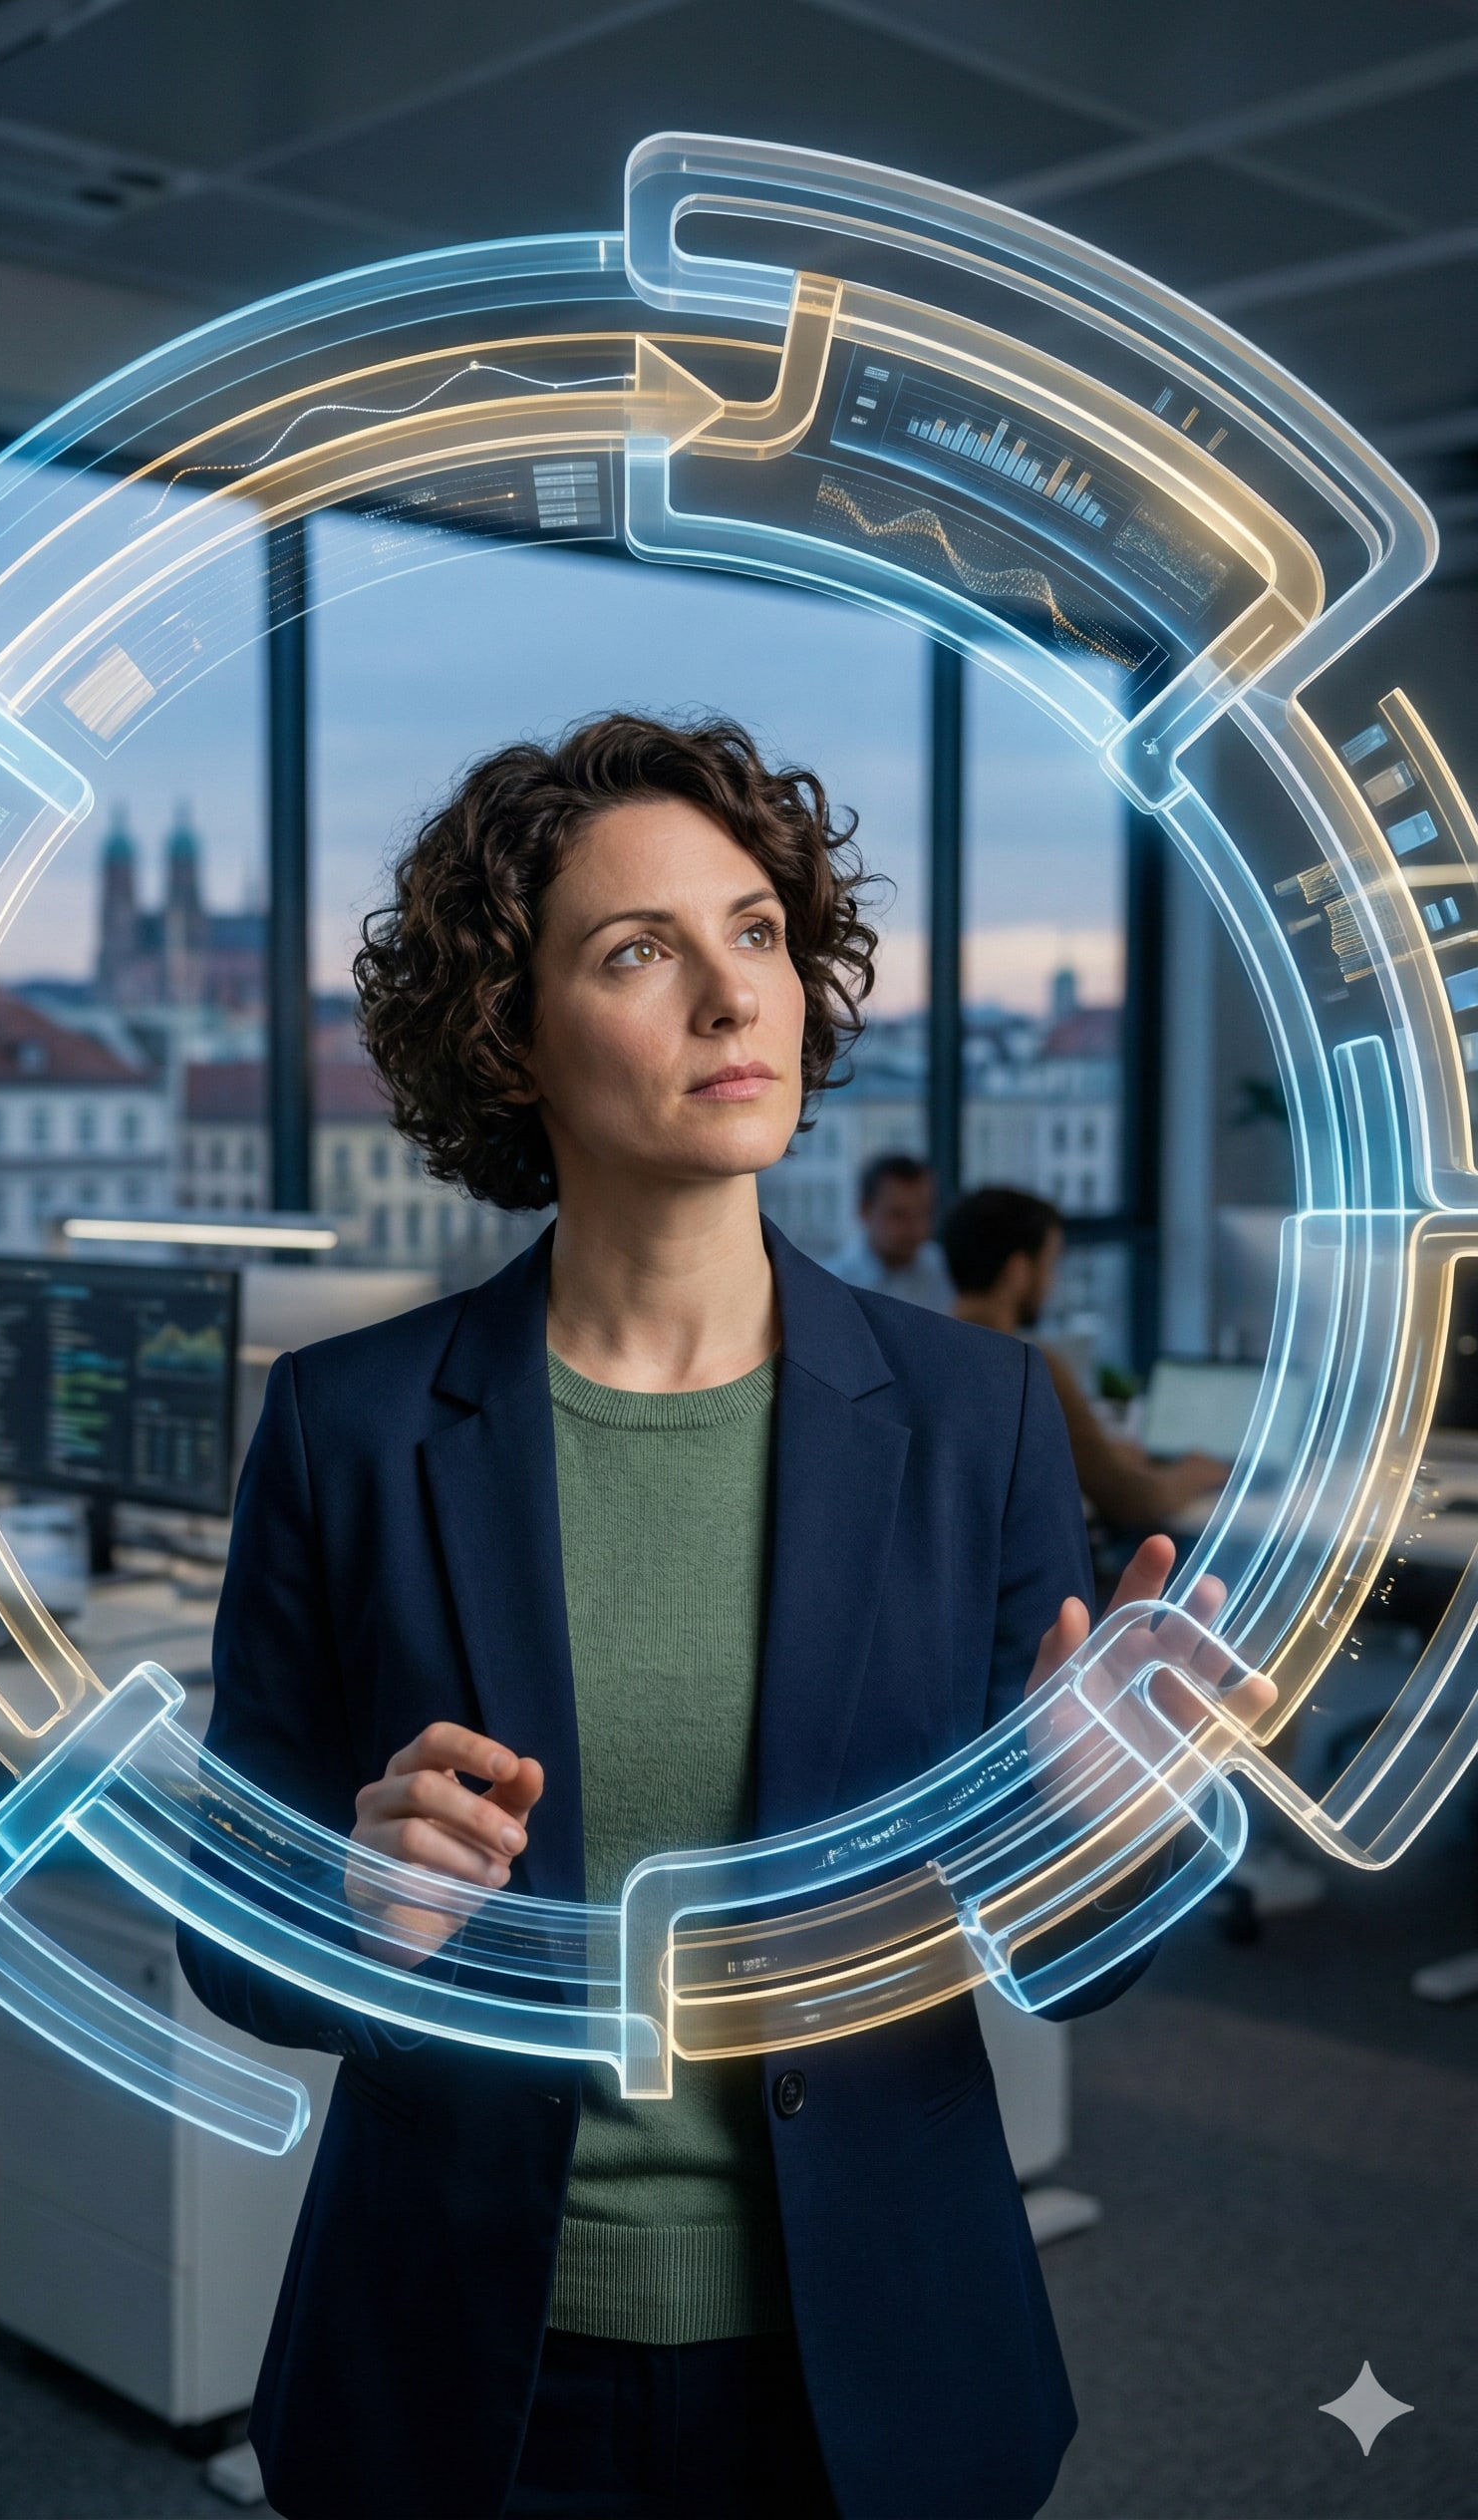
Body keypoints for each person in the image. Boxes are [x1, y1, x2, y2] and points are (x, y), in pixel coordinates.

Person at [179, 715, 1268, 2520]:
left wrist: (1096, 1832)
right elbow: (233, 1947)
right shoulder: (347, 1425)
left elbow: (1070, 1964)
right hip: (467, 2362)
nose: (728, 995)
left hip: (867, 2359)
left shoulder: (972, 1412)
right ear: (510, 1038)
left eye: (755, 930)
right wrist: (346, 1902)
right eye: (636, 950)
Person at [944, 1185, 1230, 1532]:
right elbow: (1131, 1499)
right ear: (1018, 1270)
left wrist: (1107, 1455)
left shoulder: (925, 1348)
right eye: (1050, 1265)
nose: (1052, 1282)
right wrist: (1195, 1474)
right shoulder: (1024, 1367)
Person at [827, 1150, 952, 1310]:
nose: (916, 1229)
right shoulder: (834, 1284)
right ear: (864, 1210)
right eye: (898, 1215)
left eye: (924, 1213)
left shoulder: (943, 1270)